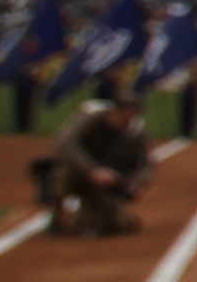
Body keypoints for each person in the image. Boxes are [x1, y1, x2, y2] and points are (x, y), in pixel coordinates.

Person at [38, 94, 154, 236]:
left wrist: (137, 183)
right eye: (123, 115)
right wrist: (92, 170)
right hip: (79, 172)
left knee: (116, 225)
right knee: (61, 175)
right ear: (113, 112)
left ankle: (91, 218)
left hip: (107, 181)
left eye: (130, 116)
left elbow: (145, 164)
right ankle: (58, 214)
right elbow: (64, 143)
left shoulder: (135, 133)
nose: (126, 121)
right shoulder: (90, 120)